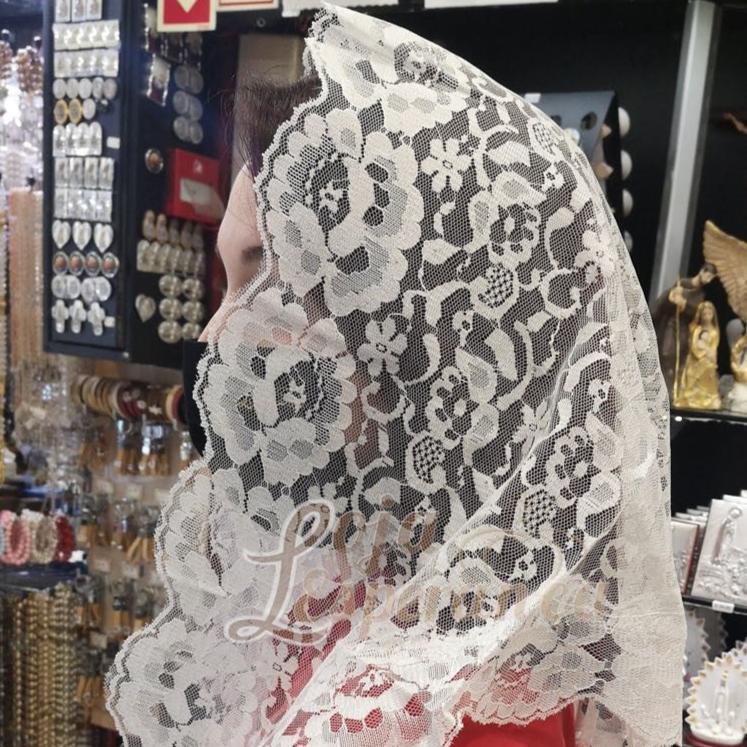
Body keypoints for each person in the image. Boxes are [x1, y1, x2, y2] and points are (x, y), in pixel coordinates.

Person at [106, 7, 685, 746]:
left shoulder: (462, 706)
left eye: (266, 288)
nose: (216, 335)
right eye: (227, 287)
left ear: (415, 338)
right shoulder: (334, 592)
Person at [650, 262, 716, 402]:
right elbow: (664, 304)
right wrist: (672, 298)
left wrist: (685, 305)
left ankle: (674, 392)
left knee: (680, 357)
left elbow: (696, 313)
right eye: (708, 276)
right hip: (671, 325)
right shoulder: (682, 284)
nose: (709, 280)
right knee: (667, 354)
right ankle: (662, 391)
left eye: (712, 278)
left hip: (684, 328)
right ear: (702, 271)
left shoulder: (700, 294)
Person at [674, 300, 721, 410]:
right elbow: (694, 346)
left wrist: (710, 355)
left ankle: (709, 399)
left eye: (709, 314)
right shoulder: (697, 330)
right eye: (704, 314)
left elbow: (714, 348)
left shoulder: (714, 331)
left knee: (709, 372)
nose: (707, 317)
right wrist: (701, 352)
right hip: (695, 360)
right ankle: (690, 398)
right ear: (700, 315)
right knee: (693, 374)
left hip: (708, 361)